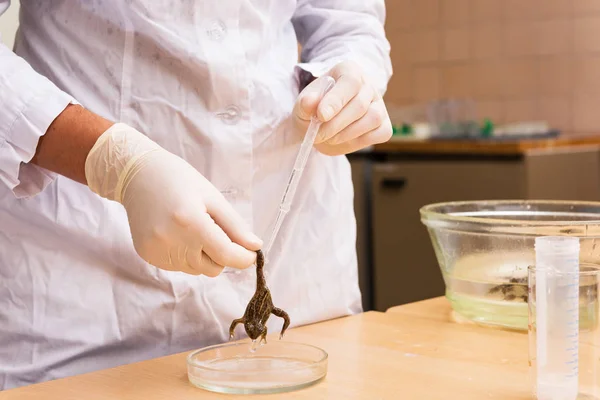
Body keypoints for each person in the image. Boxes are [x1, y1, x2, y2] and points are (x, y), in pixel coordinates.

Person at [0, 0, 392, 389]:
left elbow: (348, 18)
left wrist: (353, 75)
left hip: (298, 250)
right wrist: (112, 160)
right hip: (89, 266)